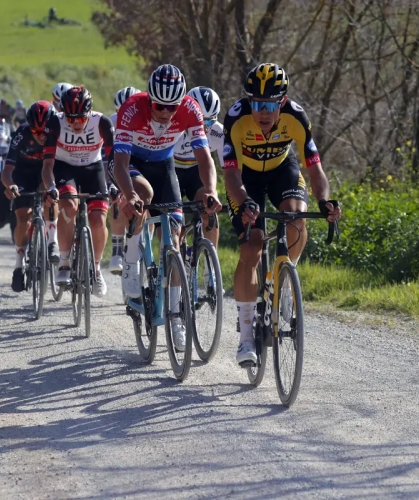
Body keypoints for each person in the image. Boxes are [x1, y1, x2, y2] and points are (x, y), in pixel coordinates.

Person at [222, 63, 340, 366]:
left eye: (270, 105)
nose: (262, 112)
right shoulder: (235, 118)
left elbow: (314, 168)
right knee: (252, 245)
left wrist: (325, 200)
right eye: (256, 104)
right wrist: (246, 203)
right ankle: (246, 338)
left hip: (282, 172)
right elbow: (232, 178)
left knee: (297, 220)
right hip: (246, 180)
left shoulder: (297, 116)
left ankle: (285, 280)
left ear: (282, 101)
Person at [111, 64, 221, 351]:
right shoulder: (132, 110)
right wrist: (129, 194)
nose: (166, 112)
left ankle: (175, 319)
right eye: (159, 105)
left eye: (172, 107)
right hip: (131, 163)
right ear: (150, 98)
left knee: (172, 237)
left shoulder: (190, 109)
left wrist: (210, 190)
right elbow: (120, 165)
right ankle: (132, 261)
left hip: (163, 164)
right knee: (142, 195)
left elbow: (205, 157)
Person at [42, 86, 114, 297]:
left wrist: (114, 185)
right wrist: (52, 187)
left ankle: (97, 269)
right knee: (68, 205)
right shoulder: (55, 122)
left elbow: (113, 161)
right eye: (70, 119)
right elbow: (47, 166)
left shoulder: (102, 123)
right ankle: (64, 262)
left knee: (99, 219)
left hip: (94, 168)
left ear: (89, 113)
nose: (75, 124)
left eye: (80, 119)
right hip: (65, 168)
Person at [2, 101, 57, 292]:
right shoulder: (21, 133)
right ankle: (19, 265)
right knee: (23, 216)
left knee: (51, 194)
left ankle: (52, 242)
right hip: (22, 174)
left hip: (47, 171)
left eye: (45, 132)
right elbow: (7, 171)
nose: (41, 136)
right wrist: (11, 185)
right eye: (36, 132)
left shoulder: (58, 132)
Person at [173, 86, 224, 248]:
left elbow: (230, 170)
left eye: (210, 121)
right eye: (201, 120)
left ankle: (211, 268)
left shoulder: (219, 133)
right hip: (172, 171)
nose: (204, 127)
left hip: (197, 172)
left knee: (210, 212)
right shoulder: (173, 127)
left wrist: (214, 194)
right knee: (174, 221)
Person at [107, 86, 141, 275]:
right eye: (120, 112)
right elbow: (107, 157)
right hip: (119, 161)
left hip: (139, 161)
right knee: (119, 196)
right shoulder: (111, 123)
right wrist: (110, 183)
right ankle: (117, 247)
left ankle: (144, 237)